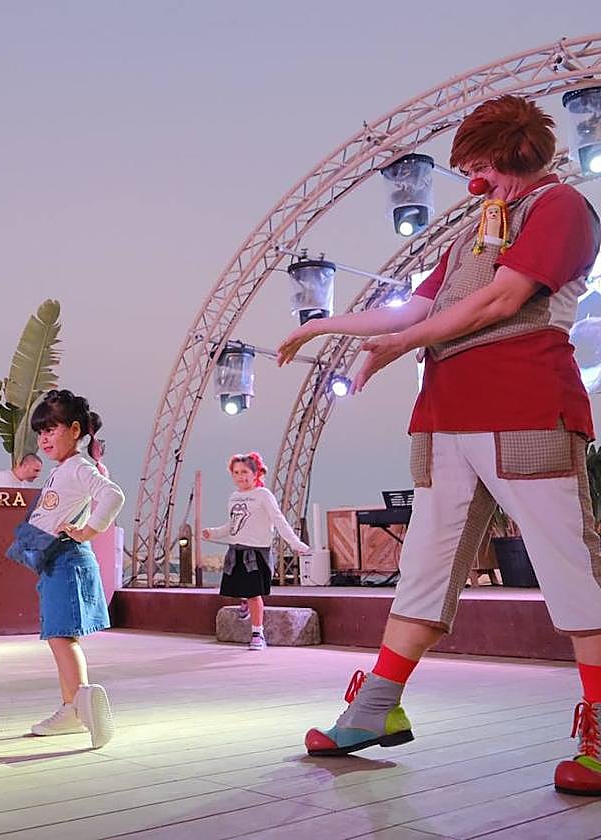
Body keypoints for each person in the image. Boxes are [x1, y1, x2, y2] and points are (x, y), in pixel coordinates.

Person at [277, 95, 601, 795]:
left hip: (526, 409)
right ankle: (373, 710)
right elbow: (419, 306)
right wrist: (329, 326)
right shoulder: (470, 235)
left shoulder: (561, 209)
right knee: (422, 570)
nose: (472, 180)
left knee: (574, 570)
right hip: (446, 420)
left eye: (479, 165)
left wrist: (396, 345)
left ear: (513, 153)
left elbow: (499, 302)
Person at [5, 389, 124, 749]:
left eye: (51, 430)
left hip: (69, 560)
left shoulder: (79, 468)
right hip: (57, 562)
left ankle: (81, 705)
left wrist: (89, 529)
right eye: (41, 432)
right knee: (59, 638)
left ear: (75, 430)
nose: (44, 439)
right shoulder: (66, 469)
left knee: (61, 638)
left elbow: (113, 495)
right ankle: (72, 709)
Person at [200, 452, 310, 650]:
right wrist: (214, 533)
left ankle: (258, 634)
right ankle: (245, 601)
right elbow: (232, 525)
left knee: (254, 594)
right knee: (238, 591)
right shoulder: (234, 497)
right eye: (236, 473)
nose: (240, 476)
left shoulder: (263, 495)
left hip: (256, 553)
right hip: (237, 551)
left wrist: (295, 543)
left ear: (255, 473)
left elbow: (279, 521)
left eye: (244, 472)